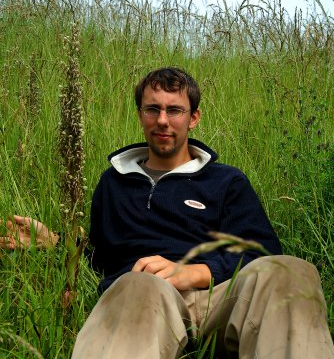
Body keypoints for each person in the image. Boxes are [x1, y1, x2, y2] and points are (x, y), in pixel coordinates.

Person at [70, 67, 333, 358]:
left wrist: (195, 273)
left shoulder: (226, 182)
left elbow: (263, 251)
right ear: (139, 114)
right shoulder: (114, 181)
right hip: (147, 299)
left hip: (220, 298)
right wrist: (56, 242)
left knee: (290, 272)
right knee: (135, 284)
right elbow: (99, 254)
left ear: (194, 117)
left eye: (175, 110)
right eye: (152, 109)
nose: (162, 121)